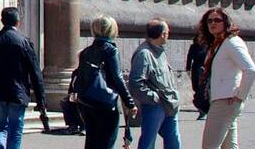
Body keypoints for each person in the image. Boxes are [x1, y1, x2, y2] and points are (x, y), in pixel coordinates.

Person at [0, 7, 47, 149]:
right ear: (18, 22)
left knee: (0, 126)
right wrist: (40, 99)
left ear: (2, 21)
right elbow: (35, 73)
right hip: (18, 91)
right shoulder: (24, 42)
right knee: (15, 128)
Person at [198, 7, 255, 149]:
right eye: (209, 21)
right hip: (220, 99)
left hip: (225, 101)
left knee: (209, 146)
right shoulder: (217, 44)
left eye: (217, 20)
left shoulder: (232, 42)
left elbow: (250, 70)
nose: (213, 23)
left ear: (226, 22)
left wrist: (239, 97)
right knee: (229, 146)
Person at [75, 16, 133, 149]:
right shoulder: (111, 50)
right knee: (106, 142)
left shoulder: (85, 52)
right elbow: (117, 77)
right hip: (106, 103)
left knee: (91, 142)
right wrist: (129, 101)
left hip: (87, 101)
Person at [129, 18, 181, 149]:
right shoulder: (144, 54)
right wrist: (154, 98)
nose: (168, 35)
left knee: (173, 139)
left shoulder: (160, 51)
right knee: (148, 141)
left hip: (170, 102)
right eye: (167, 32)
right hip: (155, 105)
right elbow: (135, 84)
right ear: (162, 34)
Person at [188, 27, 212, 120]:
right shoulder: (193, 47)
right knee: (196, 88)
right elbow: (189, 57)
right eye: (198, 37)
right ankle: (202, 107)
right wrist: (188, 67)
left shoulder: (207, 46)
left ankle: (203, 111)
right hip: (195, 68)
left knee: (202, 89)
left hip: (205, 69)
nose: (199, 39)